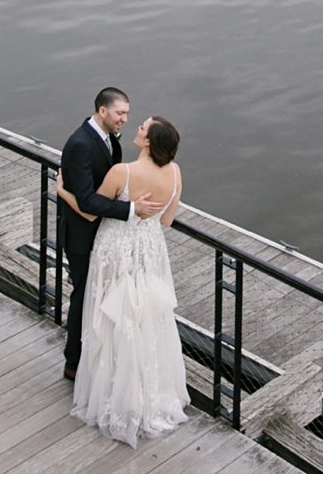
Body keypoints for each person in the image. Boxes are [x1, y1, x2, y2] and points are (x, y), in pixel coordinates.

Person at [60, 113, 190, 444]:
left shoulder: (123, 173)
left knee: (112, 314)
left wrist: (62, 191)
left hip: (115, 249)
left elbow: (90, 210)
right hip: (150, 251)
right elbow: (167, 221)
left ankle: (112, 392)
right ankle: (146, 395)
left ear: (148, 142)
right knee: (144, 316)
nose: (136, 127)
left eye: (142, 127)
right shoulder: (175, 173)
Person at [58, 88, 165, 381]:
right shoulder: (80, 144)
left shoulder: (110, 142)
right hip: (82, 237)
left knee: (106, 299)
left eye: (128, 115)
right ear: (103, 111)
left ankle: (101, 358)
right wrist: (132, 209)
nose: (125, 120)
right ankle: (73, 362)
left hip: (107, 236)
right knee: (83, 297)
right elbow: (87, 201)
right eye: (120, 113)